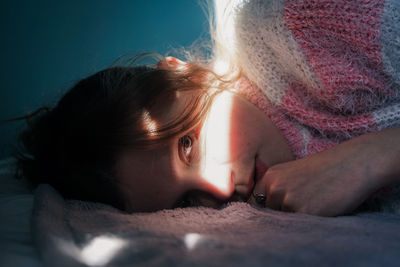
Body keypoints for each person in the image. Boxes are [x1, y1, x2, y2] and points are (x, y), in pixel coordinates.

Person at [14, 0, 400, 216]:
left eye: (187, 145)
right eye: (186, 201)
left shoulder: (297, 28)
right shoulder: (278, 199)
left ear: (179, 72)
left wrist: (375, 156)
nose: (221, 188)